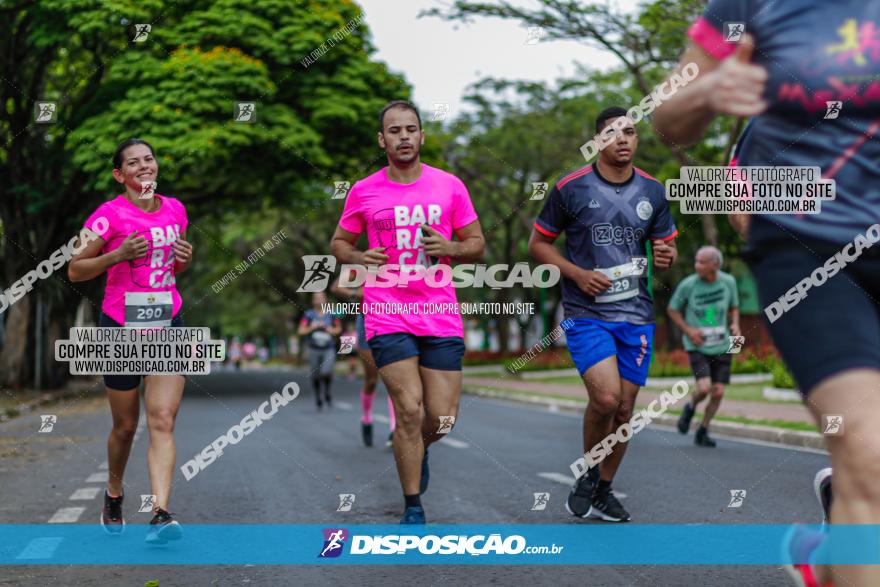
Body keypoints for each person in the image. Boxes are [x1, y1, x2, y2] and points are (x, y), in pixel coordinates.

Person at [653, 3, 880, 584]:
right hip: (811, 249)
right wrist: (708, 93)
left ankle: (828, 558)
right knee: (869, 456)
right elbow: (670, 120)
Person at [330, 100, 485, 524]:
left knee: (443, 419)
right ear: (382, 140)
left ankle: (418, 447)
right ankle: (413, 504)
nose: (403, 137)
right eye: (394, 131)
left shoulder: (449, 186)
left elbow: (476, 242)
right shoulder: (364, 190)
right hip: (387, 310)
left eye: (410, 129)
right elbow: (339, 243)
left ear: (421, 136)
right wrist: (360, 257)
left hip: (439, 312)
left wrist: (451, 248)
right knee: (410, 410)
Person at [528, 106, 678, 522]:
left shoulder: (653, 190)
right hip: (585, 312)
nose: (624, 139)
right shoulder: (570, 188)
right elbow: (538, 245)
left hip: (637, 314)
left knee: (626, 411)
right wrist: (577, 274)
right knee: (607, 398)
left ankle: (601, 489)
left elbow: (667, 246)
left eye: (630, 132)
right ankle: (589, 470)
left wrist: (666, 254)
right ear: (597, 142)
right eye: (614, 133)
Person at [68, 138, 192, 544]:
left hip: (166, 321)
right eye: (133, 163)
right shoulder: (107, 215)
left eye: (149, 159)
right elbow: (75, 270)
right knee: (125, 426)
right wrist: (115, 256)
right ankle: (115, 494)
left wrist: (182, 261)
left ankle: (160, 513)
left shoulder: (175, 209)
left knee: (162, 419)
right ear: (120, 175)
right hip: (120, 326)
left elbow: (170, 267)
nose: (144, 167)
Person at [667, 246, 741, 447]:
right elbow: (672, 309)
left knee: (718, 392)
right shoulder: (688, 285)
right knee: (704, 388)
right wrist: (689, 330)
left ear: (714, 265)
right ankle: (690, 407)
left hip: (723, 343)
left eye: (701, 262)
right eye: (696, 261)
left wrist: (735, 324)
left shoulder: (728, 282)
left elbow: (734, 307)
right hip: (697, 344)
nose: (696, 265)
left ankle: (703, 430)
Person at [330, 281, 397, 448]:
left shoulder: (401, 258)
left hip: (394, 319)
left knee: (394, 380)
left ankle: (395, 429)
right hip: (368, 320)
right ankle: (367, 418)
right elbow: (335, 287)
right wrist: (356, 294)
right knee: (372, 380)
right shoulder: (361, 264)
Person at [297, 292, 341, 409]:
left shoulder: (332, 313)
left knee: (326, 372)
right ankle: (318, 396)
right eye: (316, 298)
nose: (319, 300)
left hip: (328, 348)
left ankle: (326, 392)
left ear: (326, 299)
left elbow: (338, 329)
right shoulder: (309, 315)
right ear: (313, 301)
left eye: (321, 298)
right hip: (313, 349)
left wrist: (330, 329)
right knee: (315, 376)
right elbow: (301, 331)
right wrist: (313, 327)